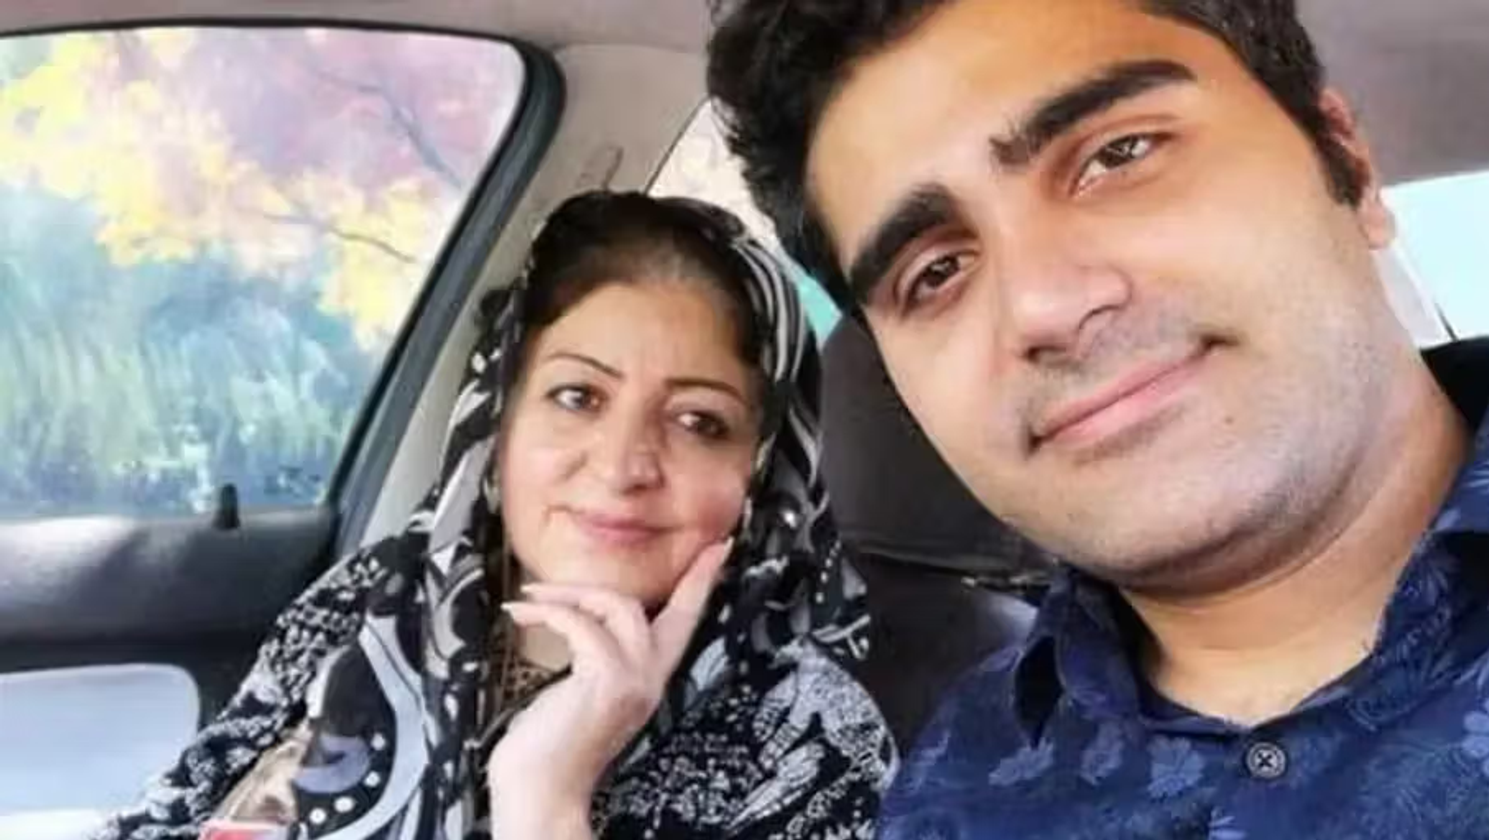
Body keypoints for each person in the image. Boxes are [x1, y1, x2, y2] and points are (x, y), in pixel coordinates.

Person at [707, 0, 1489, 836]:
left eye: (1118, 155)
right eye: (935, 273)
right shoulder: (945, 791)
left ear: (1346, 162)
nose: (1045, 306)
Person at [96, 192, 893, 840]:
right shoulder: (379, 596)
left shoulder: (813, 743)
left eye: (699, 421)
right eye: (577, 396)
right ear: (498, 419)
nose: (622, 466)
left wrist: (546, 806)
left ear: (766, 468)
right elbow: (179, 805)